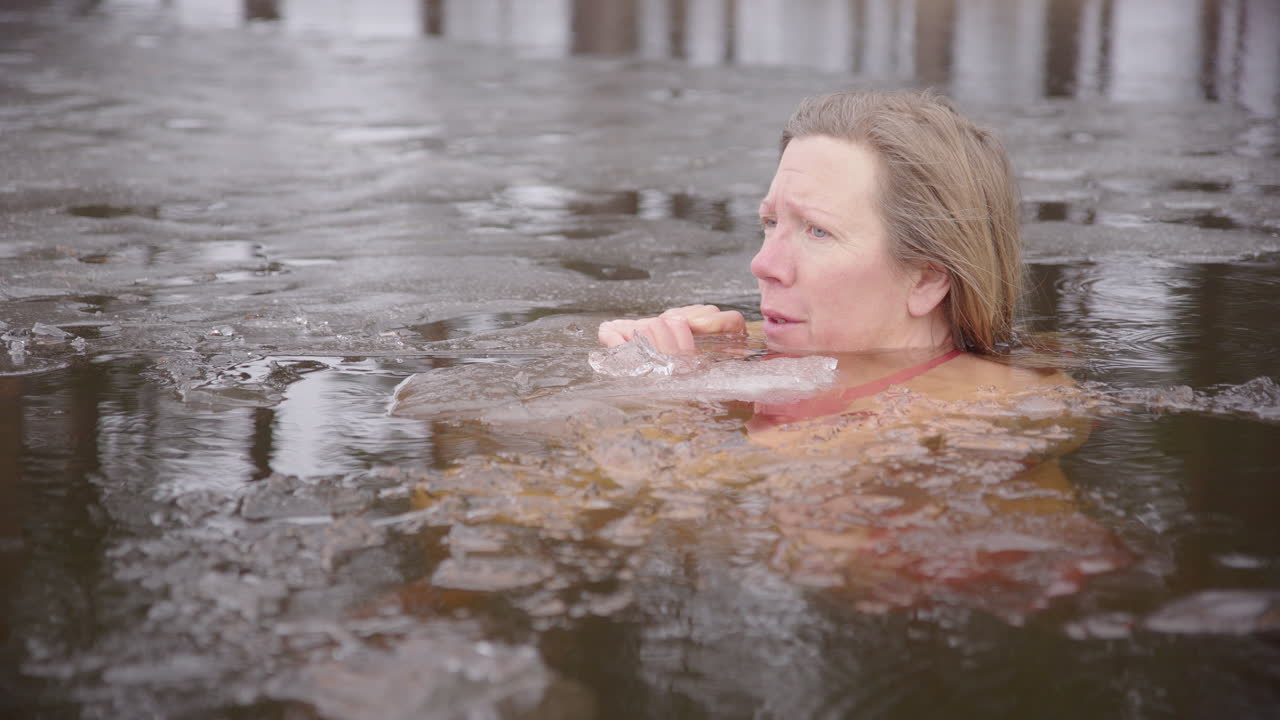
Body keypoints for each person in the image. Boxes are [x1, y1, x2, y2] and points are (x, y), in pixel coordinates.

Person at [598, 89, 1066, 400]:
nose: (763, 265)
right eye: (771, 221)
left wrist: (673, 403)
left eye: (817, 231)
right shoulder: (757, 348)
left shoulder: (983, 417)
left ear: (926, 278)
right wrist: (708, 368)